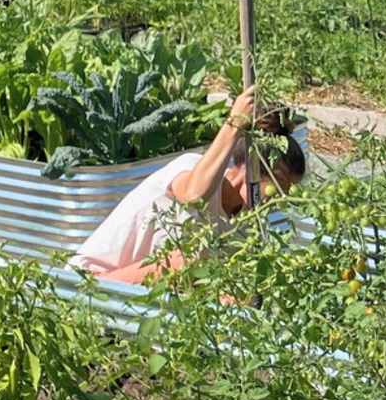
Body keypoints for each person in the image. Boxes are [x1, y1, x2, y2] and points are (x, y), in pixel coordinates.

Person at [70, 89, 306, 284]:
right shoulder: (192, 168)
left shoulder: (243, 228)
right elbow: (195, 196)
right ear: (251, 170)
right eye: (276, 188)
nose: (277, 201)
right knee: (190, 260)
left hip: (142, 309)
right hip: (88, 284)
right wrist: (234, 124)